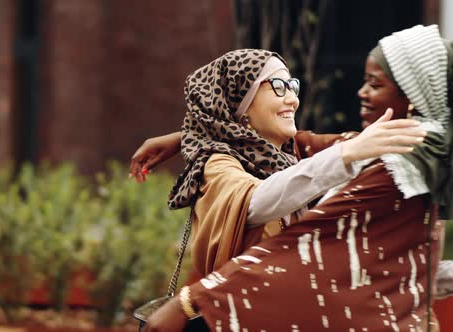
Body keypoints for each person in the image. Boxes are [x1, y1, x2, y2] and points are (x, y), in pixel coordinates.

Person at [139, 25, 452, 331]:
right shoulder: (219, 163)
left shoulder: (296, 154)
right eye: (277, 86)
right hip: (239, 312)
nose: (292, 99)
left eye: (292, 85)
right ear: (241, 100)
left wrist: (186, 138)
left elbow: (380, 259)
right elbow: (254, 202)